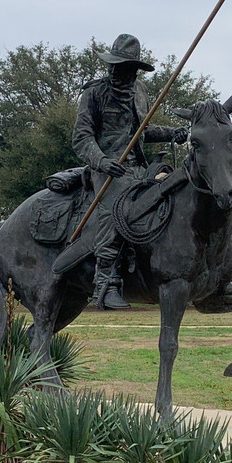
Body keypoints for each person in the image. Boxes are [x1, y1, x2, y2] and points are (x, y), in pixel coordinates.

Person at [72, 33, 189, 309]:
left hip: (138, 168)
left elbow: (142, 132)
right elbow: (81, 137)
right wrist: (102, 161)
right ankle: (105, 283)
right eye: (113, 65)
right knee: (116, 210)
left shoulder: (140, 92)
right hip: (106, 169)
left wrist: (171, 133)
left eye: (122, 67)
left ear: (134, 70)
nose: (115, 71)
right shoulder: (94, 93)